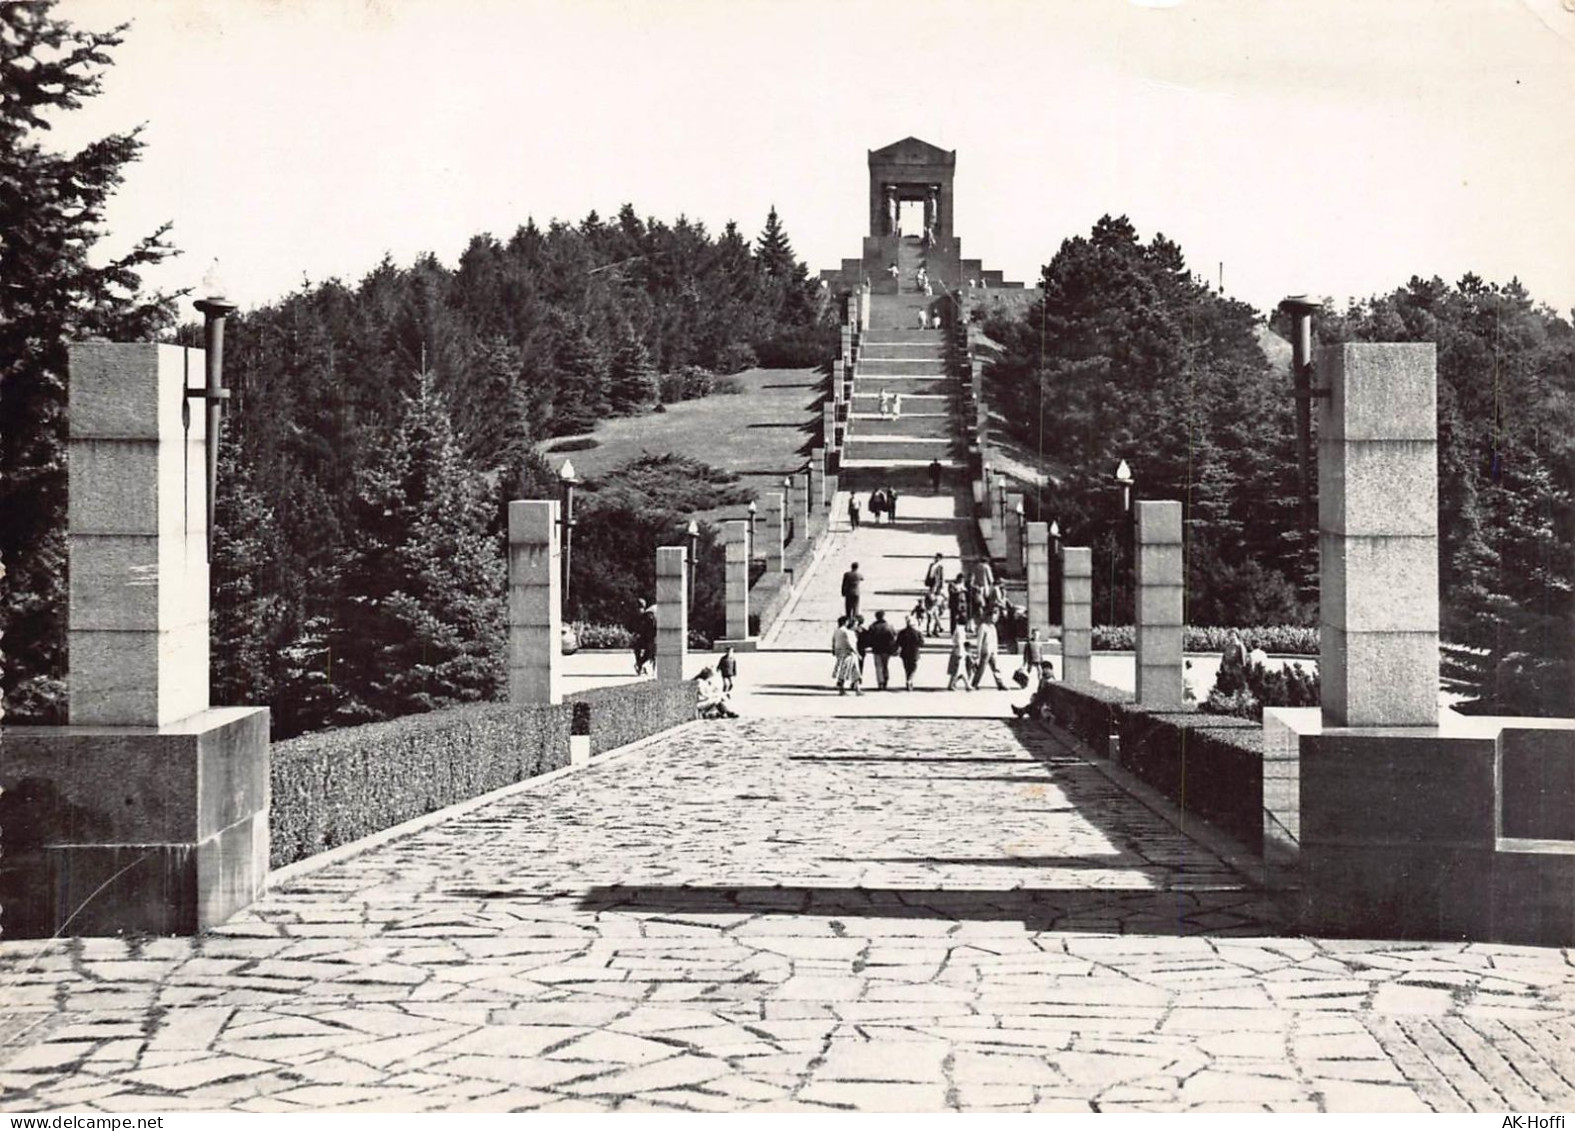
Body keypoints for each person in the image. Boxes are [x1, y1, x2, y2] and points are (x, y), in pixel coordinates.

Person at [971, 610, 1008, 690]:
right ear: (988, 617)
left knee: (996, 668)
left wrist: (996, 651)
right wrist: (978, 652)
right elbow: (979, 641)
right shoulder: (983, 627)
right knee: (981, 668)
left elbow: (995, 640)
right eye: (992, 617)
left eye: (995, 618)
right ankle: (974, 684)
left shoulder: (993, 627)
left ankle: (1000, 684)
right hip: (985, 651)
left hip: (992, 651)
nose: (994, 619)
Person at [867, 610, 898, 690]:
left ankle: (880, 682)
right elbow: (894, 636)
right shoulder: (889, 626)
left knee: (878, 667)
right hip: (887, 649)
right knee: (885, 665)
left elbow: (869, 638)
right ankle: (885, 680)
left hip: (876, 649)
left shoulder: (872, 626)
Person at [831, 617, 862, 696]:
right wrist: (857, 653)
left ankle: (857, 689)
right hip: (848, 654)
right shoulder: (847, 632)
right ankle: (842, 689)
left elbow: (833, 641)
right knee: (845, 671)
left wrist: (834, 650)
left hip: (841, 652)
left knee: (853, 671)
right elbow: (851, 644)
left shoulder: (836, 631)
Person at [897, 614, 925, 691]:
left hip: (904, 653)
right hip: (914, 653)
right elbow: (922, 643)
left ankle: (909, 681)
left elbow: (898, 642)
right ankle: (910, 680)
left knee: (907, 668)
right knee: (913, 668)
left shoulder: (902, 632)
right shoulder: (917, 633)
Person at [947, 619, 973, 691]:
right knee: (957, 670)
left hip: (958, 652)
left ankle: (967, 685)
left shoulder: (958, 629)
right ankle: (952, 685)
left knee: (961, 670)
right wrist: (962, 653)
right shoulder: (960, 631)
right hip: (959, 653)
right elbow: (960, 643)